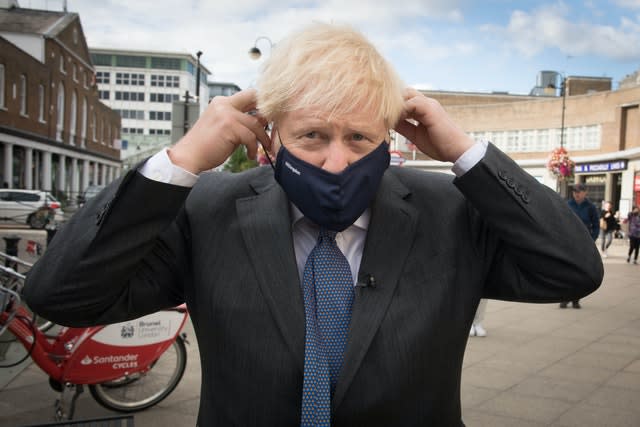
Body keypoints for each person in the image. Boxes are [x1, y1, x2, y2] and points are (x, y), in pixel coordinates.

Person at [23, 23, 603, 426]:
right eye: (312, 137)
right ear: (271, 134)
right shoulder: (209, 212)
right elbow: (61, 294)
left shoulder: (449, 211)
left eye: (359, 137)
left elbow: (572, 269)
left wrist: (461, 149)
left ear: (390, 136)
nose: (336, 161)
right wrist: (181, 162)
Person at [560, 183, 600, 309]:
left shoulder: (591, 207)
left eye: (579, 191)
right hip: (568, 242)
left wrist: (591, 240)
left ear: (585, 192)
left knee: (579, 273)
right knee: (566, 272)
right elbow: (560, 221)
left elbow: (596, 225)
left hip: (583, 245)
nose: (576, 193)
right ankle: (565, 298)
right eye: (575, 191)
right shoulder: (567, 205)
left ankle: (576, 298)